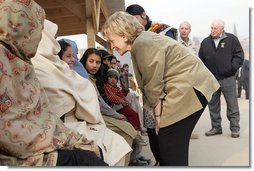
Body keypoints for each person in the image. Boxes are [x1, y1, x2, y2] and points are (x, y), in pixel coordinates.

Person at [101, 11, 219, 166]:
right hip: (189, 88)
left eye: (111, 40)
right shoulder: (143, 40)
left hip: (188, 89)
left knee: (169, 147)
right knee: (170, 147)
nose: (112, 46)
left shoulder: (142, 43)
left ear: (123, 34)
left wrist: (158, 119)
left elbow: (153, 83)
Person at [0, 0, 107, 166]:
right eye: (37, 27)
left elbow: (43, 114)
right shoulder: (7, 59)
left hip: (40, 139)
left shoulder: (22, 62)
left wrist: (72, 139)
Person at [31, 19, 132, 166]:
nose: (55, 42)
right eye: (53, 37)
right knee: (111, 145)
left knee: (121, 140)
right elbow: (64, 98)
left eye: (98, 62)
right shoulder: (37, 65)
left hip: (82, 118)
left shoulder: (56, 65)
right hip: (62, 125)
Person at [80, 48, 150, 166]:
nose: (95, 65)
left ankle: (130, 160)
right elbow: (100, 104)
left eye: (98, 62)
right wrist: (116, 114)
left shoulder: (93, 78)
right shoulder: (83, 77)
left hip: (100, 114)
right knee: (128, 130)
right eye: (91, 61)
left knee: (129, 123)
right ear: (84, 61)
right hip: (91, 117)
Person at [198, 19, 244, 138]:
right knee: (213, 104)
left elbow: (239, 56)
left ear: (222, 29)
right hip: (211, 79)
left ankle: (234, 128)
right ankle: (216, 127)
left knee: (232, 104)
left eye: (215, 28)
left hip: (227, 78)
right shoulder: (205, 42)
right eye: (211, 28)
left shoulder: (232, 39)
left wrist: (231, 68)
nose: (212, 30)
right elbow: (200, 60)